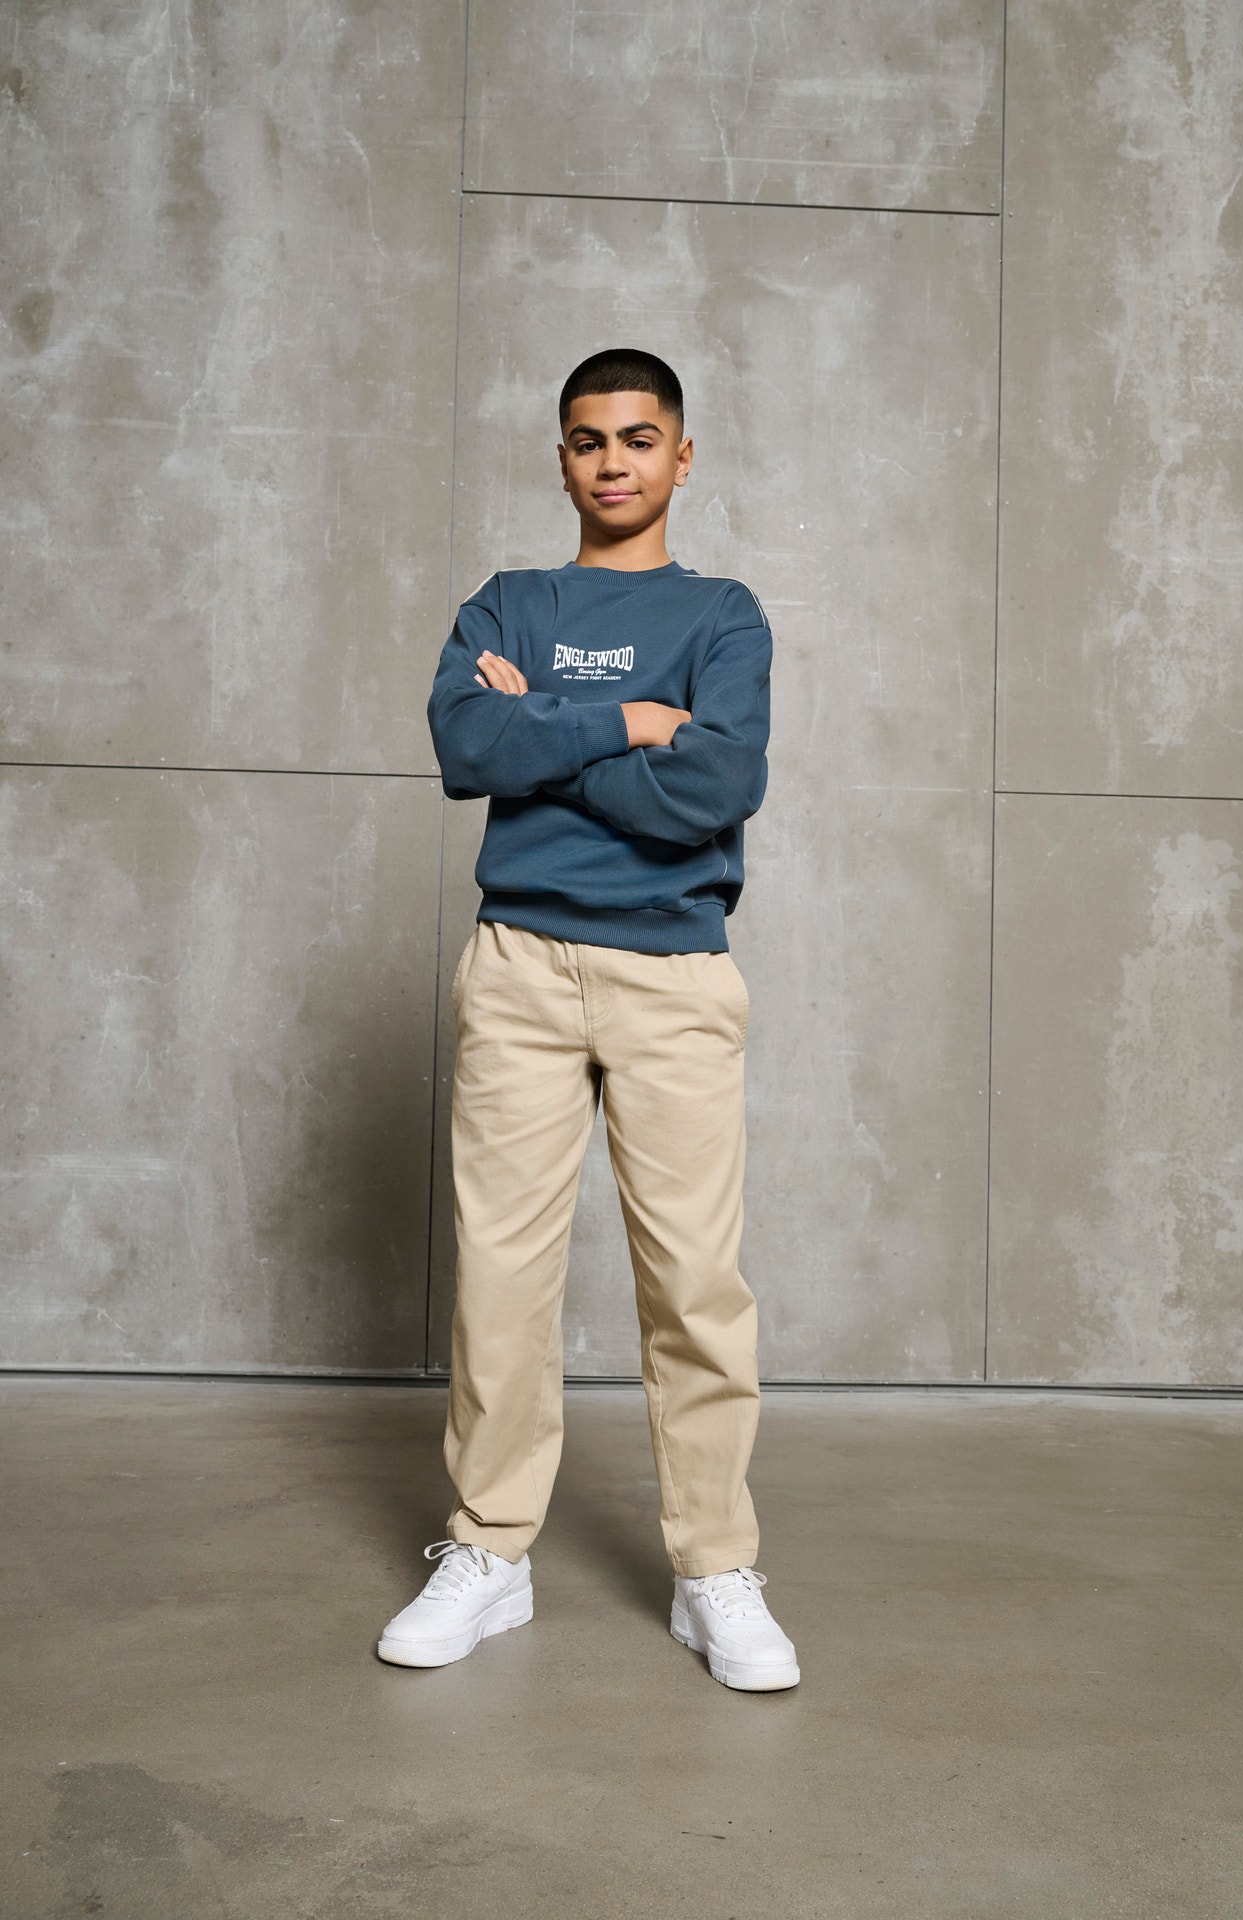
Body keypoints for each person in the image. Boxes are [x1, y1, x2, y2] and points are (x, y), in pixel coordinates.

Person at [377, 347, 798, 1692]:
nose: (612, 461)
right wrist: (629, 720)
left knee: (695, 1287)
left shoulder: (724, 616)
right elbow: (466, 750)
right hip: (520, 969)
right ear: (560, 459)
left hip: (673, 974)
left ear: (683, 455)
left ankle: (714, 1569)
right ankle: (490, 1552)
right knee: (502, 1278)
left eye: (637, 437)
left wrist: (545, 731)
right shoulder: (506, 603)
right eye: (585, 440)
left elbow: (711, 791)